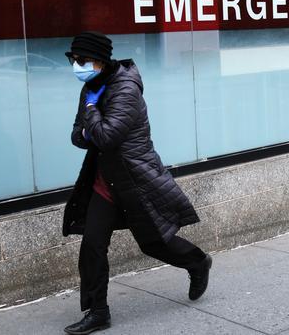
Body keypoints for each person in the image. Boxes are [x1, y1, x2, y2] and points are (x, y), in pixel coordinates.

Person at [61, 31, 212, 335]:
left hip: (135, 178)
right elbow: (78, 136)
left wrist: (92, 113)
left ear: (100, 61)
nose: (76, 66)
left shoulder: (126, 89)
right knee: (92, 243)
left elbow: (104, 136)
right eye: (73, 60)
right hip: (105, 181)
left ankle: (197, 262)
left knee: (154, 243)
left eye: (81, 60)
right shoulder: (91, 87)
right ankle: (98, 312)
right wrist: (92, 122)